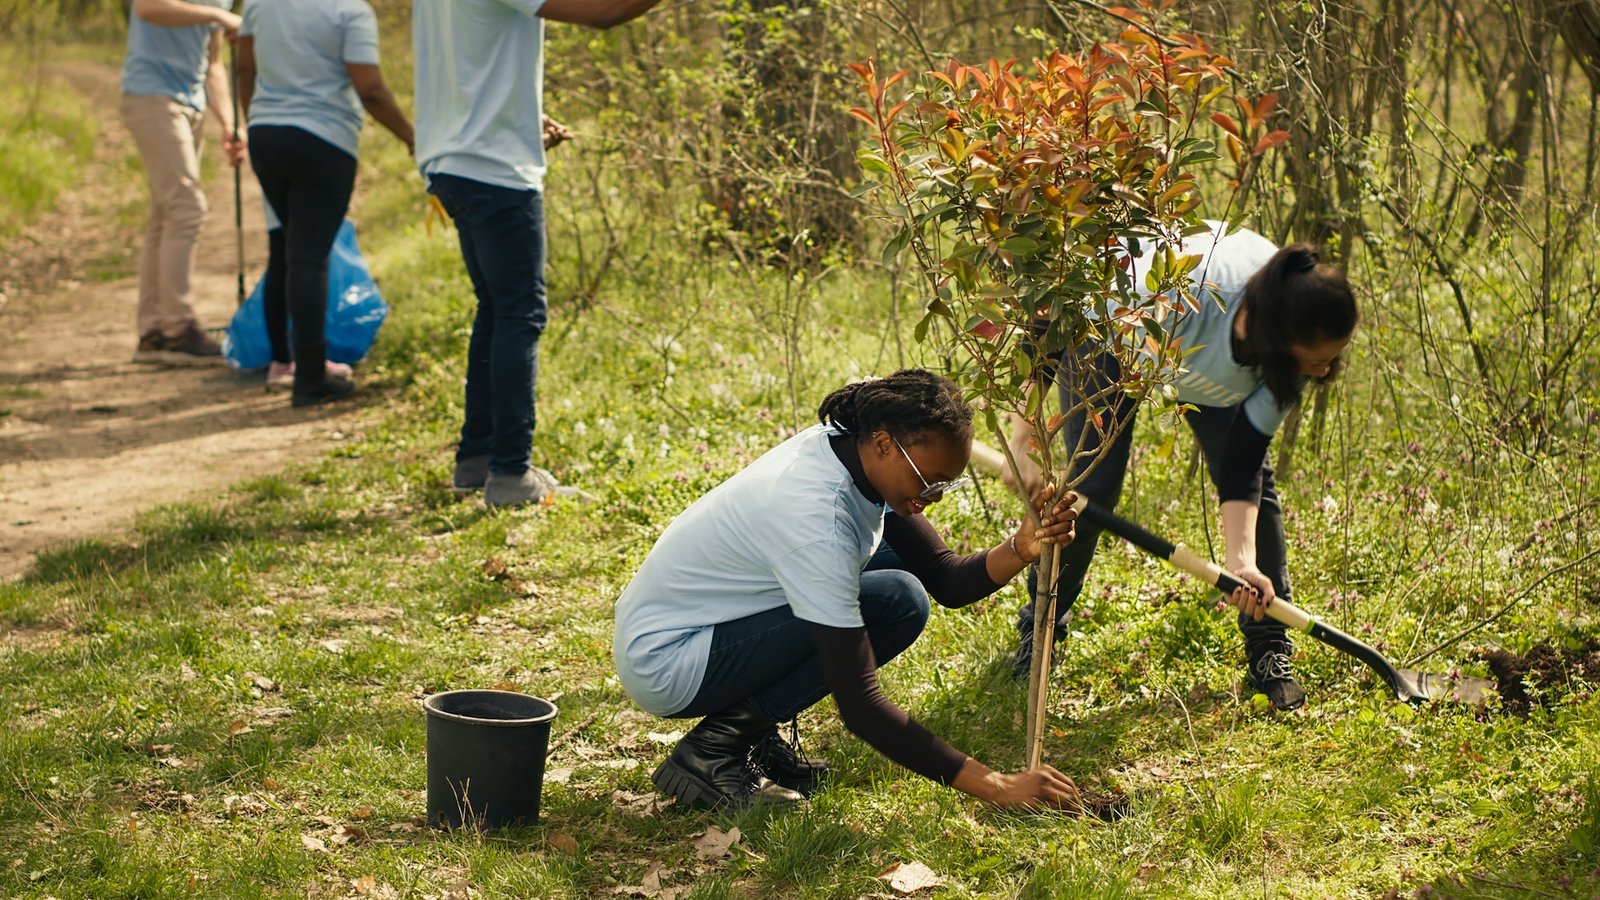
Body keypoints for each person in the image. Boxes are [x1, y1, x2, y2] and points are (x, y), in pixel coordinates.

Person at [614, 370, 1086, 810]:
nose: (934, 498)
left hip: (705, 622)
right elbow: (860, 706)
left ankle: (746, 734)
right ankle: (714, 750)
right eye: (928, 482)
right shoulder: (816, 517)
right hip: (669, 659)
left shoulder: (853, 452)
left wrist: (1022, 547)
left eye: (947, 484)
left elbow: (944, 576)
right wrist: (997, 786)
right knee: (897, 601)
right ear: (884, 444)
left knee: (898, 579)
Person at [1006, 221, 1359, 712]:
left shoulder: (1292, 353)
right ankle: (1042, 625)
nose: (1324, 372)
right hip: (1116, 340)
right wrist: (1021, 435)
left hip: (1202, 376)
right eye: (1317, 361)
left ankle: (1269, 643)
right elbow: (1061, 316)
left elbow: (1242, 464)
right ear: (1278, 339)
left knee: (1263, 494)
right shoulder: (1188, 290)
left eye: (1332, 358)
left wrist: (1243, 565)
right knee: (1093, 490)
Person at [412, 0, 663, 509]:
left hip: (453, 160)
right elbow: (605, 12)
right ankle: (509, 474)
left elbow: (468, 57)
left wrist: (516, 116)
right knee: (519, 315)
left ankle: (478, 460)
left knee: (496, 309)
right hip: (492, 168)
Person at [234, 0, 413, 407]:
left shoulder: (260, 4)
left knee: (286, 247)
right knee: (309, 257)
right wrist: (410, 136)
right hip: (325, 139)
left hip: (267, 134)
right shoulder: (350, 11)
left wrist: (256, 118)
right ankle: (311, 376)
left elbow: (245, 68)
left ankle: (285, 360)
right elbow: (370, 88)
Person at [121, 0, 246, 365]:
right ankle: (178, 327)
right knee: (187, 208)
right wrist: (217, 15)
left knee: (165, 215)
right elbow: (147, 7)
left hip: (189, 101)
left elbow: (213, 63)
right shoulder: (216, 9)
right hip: (152, 96)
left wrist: (228, 121)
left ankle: (153, 332)